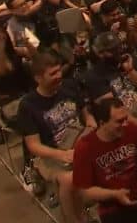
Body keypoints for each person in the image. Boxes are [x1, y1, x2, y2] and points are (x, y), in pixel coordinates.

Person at [18, 49, 90, 223]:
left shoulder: (69, 86)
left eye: (59, 70)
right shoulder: (28, 105)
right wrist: (62, 154)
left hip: (80, 141)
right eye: (53, 73)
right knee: (68, 180)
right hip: (52, 155)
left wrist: (91, 124)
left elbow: (86, 114)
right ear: (38, 78)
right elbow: (33, 146)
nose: (59, 75)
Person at [72, 98, 137, 223]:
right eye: (119, 121)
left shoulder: (132, 130)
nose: (125, 124)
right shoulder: (85, 147)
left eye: (125, 118)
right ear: (102, 123)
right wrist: (115, 194)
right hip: (114, 207)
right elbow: (85, 192)